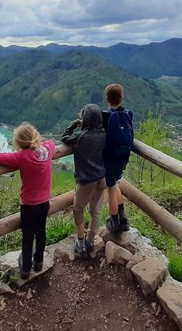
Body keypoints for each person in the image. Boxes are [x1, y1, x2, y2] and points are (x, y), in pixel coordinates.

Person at [0, 122, 54, 279]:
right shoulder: (47, 151)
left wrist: (18, 151)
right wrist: (37, 144)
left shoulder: (20, 157)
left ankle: (26, 270)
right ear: (36, 137)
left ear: (19, 143)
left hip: (28, 206)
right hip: (44, 203)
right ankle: (39, 263)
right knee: (41, 232)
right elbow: (51, 143)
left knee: (27, 237)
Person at [61, 104, 106, 257]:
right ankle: (90, 241)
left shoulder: (80, 137)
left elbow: (65, 138)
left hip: (86, 181)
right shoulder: (104, 134)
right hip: (102, 179)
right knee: (96, 212)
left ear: (84, 119)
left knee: (78, 209)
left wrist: (73, 125)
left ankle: (80, 243)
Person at [102, 83, 134, 234]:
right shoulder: (128, 114)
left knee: (110, 187)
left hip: (110, 157)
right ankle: (124, 219)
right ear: (122, 98)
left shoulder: (105, 116)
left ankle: (114, 220)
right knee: (115, 183)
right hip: (123, 156)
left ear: (107, 98)